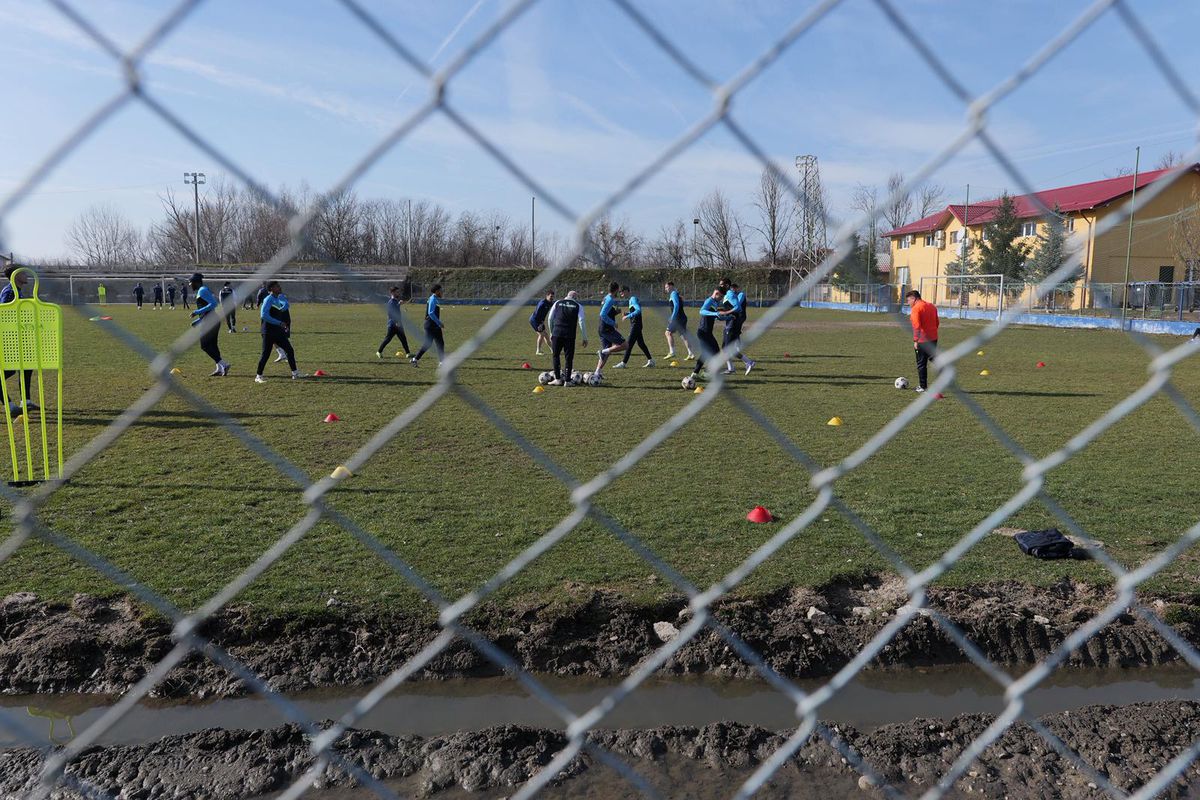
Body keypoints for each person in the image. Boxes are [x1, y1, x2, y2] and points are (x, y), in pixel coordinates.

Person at [0, 265, 37, 415]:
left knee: (27, 365)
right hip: (10, 339)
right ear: (15, 276)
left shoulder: (17, 290)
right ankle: (9, 405)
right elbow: (5, 314)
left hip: (19, 337)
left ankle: (26, 401)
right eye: (22, 272)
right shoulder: (9, 292)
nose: (26, 275)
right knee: (7, 371)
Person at [254, 281, 301, 383]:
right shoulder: (268, 299)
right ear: (271, 289)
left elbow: (283, 308)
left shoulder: (277, 298)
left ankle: (295, 373)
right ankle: (258, 376)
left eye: (279, 286)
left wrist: (284, 300)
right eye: (277, 286)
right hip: (268, 331)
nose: (279, 287)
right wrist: (279, 323)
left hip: (278, 331)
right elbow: (264, 315)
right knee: (265, 354)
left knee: (289, 350)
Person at [189, 273, 229, 376]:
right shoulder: (202, 290)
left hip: (211, 321)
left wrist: (196, 312)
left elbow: (214, 304)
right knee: (212, 345)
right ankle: (219, 369)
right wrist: (198, 321)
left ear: (197, 282)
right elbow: (206, 312)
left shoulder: (202, 290)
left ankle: (223, 364)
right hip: (210, 320)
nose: (190, 285)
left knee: (204, 345)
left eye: (192, 283)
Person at [545, 290, 587, 385]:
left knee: (556, 356)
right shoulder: (578, 306)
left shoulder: (557, 302)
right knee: (569, 358)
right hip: (570, 335)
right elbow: (582, 321)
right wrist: (584, 337)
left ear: (567, 296)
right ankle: (567, 380)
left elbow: (550, 318)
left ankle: (558, 379)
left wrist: (552, 332)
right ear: (575, 298)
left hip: (557, 333)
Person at [716, 278, 754, 375]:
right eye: (719, 285)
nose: (720, 286)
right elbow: (730, 308)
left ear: (727, 285)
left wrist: (726, 313)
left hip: (732, 324)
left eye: (722, 285)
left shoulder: (730, 294)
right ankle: (731, 369)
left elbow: (738, 307)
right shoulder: (727, 295)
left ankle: (748, 362)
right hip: (729, 323)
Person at [593, 281, 628, 379]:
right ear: (616, 290)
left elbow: (607, 312)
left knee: (607, 352)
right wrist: (613, 323)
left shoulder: (606, 298)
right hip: (607, 328)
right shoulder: (610, 300)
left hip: (601, 328)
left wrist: (617, 311)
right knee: (625, 345)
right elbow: (603, 314)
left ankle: (597, 373)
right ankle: (602, 351)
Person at [688, 288, 724, 383]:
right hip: (703, 332)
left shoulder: (715, 303)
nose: (721, 299)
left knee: (710, 352)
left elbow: (714, 316)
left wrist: (727, 317)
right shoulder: (709, 301)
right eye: (720, 296)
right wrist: (715, 313)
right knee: (712, 352)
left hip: (708, 332)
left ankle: (696, 373)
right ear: (716, 293)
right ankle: (705, 373)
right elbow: (702, 311)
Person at [906, 289, 939, 393]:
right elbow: (937, 322)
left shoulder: (916, 308)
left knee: (921, 363)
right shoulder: (931, 306)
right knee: (933, 359)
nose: (908, 303)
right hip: (933, 338)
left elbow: (917, 326)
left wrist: (916, 340)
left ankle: (923, 386)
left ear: (914, 298)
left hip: (922, 340)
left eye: (908, 300)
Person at [616, 285, 654, 368]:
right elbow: (635, 312)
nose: (621, 295)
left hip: (636, 325)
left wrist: (627, 316)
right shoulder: (631, 299)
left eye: (622, 293)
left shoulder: (632, 299)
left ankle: (623, 363)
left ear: (626, 291)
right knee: (641, 344)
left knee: (628, 344)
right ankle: (651, 361)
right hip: (637, 324)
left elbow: (638, 311)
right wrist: (628, 314)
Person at [411, 284, 445, 366]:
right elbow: (430, 313)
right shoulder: (433, 299)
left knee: (440, 343)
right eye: (441, 290)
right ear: (436, 291)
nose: (442, 292)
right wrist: (439, 322)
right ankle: (414, 359)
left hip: (434, 325)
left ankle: (442, 362)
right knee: (428, 344)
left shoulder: (434, 298)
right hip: (431, 325)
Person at [376, 285, 410, 359]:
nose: (398, 293)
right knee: (388, 339)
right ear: (392, 293)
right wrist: (396, 322)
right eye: (397, 292)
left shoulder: (395, 301)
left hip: (398, 323)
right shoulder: (391, 302)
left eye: (398, 292)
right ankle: (379, 352)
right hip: (393, 324)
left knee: (403, 339)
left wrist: (399, 304)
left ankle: (408, 353)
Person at [663, 281, 695, 361]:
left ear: (670, 286)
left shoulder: (673, 294)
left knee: (668, 333)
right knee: (683, 336)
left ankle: (672, 352)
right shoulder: (676, 293)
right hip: (682, 317)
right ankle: (691, 354)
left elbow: (676, 306)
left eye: (666, 287)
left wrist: (672, 317)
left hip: (677, 318)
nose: (665, 289)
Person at [530, 290, 555, 356]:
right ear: (547, 296)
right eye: (551, 296)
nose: (552, 298)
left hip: (540, 321)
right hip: (535, 320)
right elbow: (537, 314)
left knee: (546, 335)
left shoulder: (550, 303)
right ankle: (538, 351)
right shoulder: (542, 303)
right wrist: (540, 324)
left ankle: (553, 350)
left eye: (553, 297)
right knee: (541, 334)